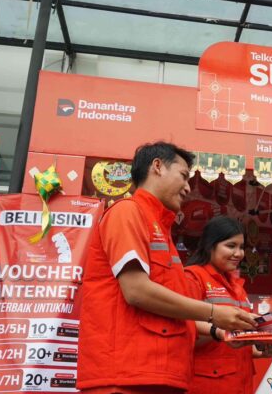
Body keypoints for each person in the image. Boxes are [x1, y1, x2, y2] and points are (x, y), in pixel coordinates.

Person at [77, 142, 256, 394]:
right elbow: (136, 290)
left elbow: (177, 316)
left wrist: (225, 332)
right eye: (183, 176)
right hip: (126, 376)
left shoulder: (160, 228)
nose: (187, 188)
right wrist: (214, 313)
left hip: (158, 375)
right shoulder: (128, 212)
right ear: (158, 167)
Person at [184, 216, 272, 393]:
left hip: (240, 383)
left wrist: (263, 350)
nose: (238, 253)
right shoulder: (192, 278)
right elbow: (183, 331)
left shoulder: (237, 286)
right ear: (210, 245)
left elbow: (237, 344)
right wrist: (221, 331)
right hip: (207, 385)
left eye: (241, 247)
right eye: (231, 246)